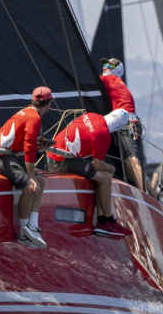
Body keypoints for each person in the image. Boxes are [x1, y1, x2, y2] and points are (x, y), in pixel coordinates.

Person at [47, 109, 132, 238]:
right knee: (105, 178)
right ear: (119, 126)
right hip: (60, 162)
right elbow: (96, 164)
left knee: (101, 176)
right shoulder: (104, 134)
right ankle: (106, 221)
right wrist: (112, 169)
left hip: (54, 155)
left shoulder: (92, 115)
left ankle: (102, 219)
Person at [0, 86, 53, 248]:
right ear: (49, 104)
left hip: (7, 156)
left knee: (41, 182)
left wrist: (39, 148)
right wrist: (29, 177)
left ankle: (33, 225)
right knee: (29, 185)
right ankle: (24, 232)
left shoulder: (27, 112)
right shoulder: (34, 118)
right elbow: (29, 149)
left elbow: (25, 144)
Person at [99, 58, 145, 192]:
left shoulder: (108, 79)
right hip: (132, 122)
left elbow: (87, 81)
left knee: (132, 159)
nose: (105, 66)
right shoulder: (120, 82)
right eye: (105, 64)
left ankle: (143, 194)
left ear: (117, 70)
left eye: (109, 65)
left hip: (126, 122)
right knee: (128, 161)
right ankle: (148, 193)